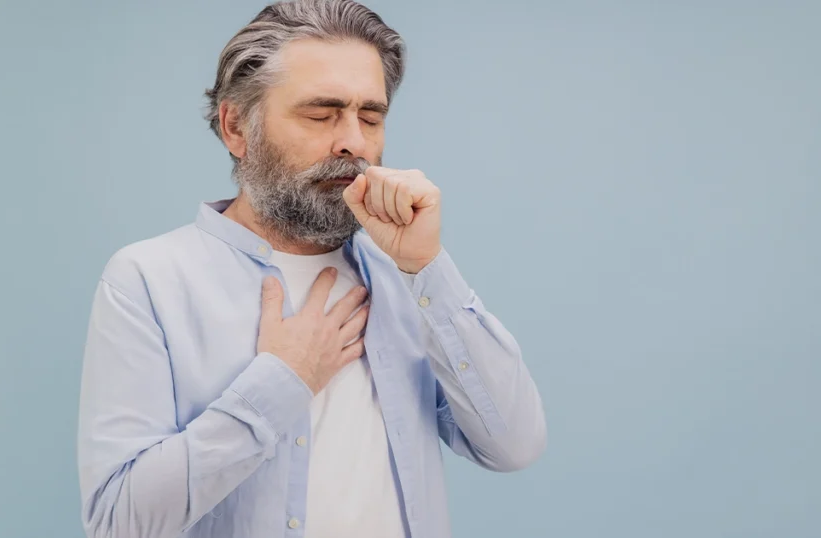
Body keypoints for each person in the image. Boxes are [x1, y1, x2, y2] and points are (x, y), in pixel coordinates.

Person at [76, 1, 547, 536]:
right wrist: (282, 381)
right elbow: (118, 522)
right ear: (236, 127)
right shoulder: (148, 280)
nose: (354, 142)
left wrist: (425, 266)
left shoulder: (407, 279)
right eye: (321, 115)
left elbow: (514, 445)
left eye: (371, 117)